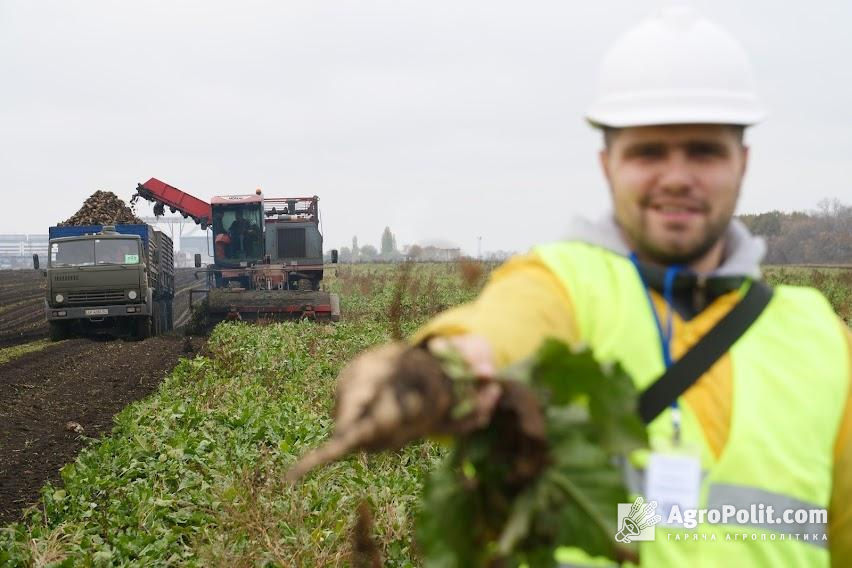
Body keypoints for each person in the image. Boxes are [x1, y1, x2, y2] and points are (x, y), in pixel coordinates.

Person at [333, 6, 851, 567]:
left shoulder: (820, 338)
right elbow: (496, 329)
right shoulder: (565, 284)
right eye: (648, 152)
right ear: (607, 165)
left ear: (742, 163)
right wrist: (435, 368)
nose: (676, 176)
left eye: (703, 150)